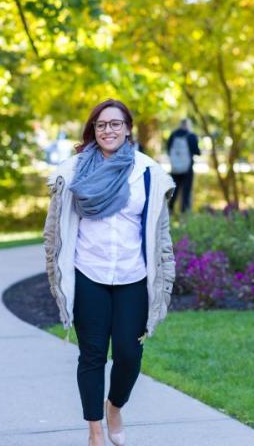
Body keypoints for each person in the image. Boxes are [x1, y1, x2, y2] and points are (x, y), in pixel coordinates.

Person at [43, 99, 176, 446]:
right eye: (101, 125)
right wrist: (56, 272)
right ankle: (95, 431)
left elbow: (160, 234)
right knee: (92, 354)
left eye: (115, 124)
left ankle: (114, 406)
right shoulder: (72, 173)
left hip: (133, 276)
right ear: (93, 130)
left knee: (130, 355)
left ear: (128, 128)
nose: (108, 131)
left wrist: (165, 275)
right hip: (89, 273)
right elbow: (54, 231)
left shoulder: (147, 174)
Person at [167, 118, 201, 213]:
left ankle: (170, 210)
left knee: (174, 190)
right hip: (187, 169)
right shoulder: (191, 136)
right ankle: (184, 213)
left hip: (175, 168)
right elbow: (197, 151)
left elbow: (168, 149)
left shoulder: (173, 135)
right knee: (186, 192)